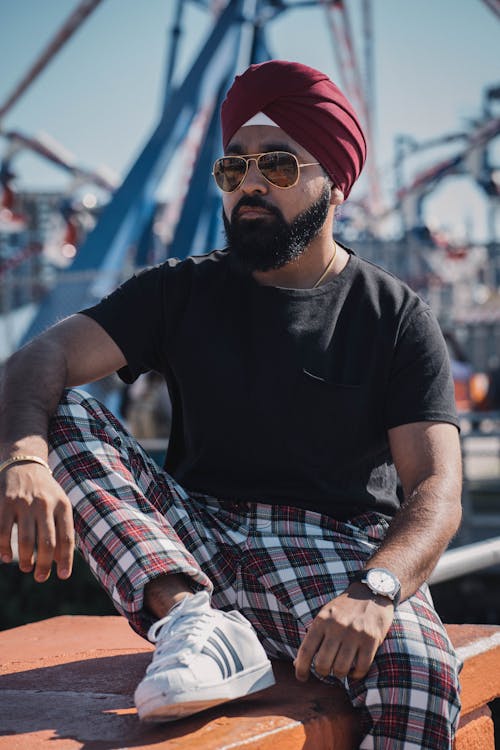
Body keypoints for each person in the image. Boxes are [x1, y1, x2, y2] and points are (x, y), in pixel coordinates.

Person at [0, 60, 462, 748]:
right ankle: (193, 620)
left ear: (334, 182)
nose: (249, 182)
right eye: (233, 168)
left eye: (277, 166)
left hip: (330, 554)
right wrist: (22, 460)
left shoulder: (392, 315)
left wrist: (378, 589)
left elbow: (436, 487)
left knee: (422, 676)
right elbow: (40, 359)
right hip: (194, 543)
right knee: (57, 412)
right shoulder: (180, 290)